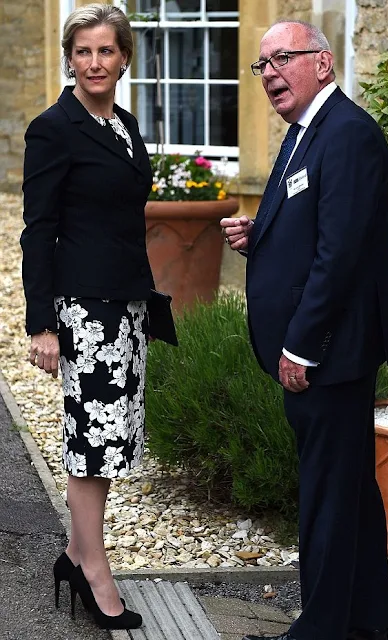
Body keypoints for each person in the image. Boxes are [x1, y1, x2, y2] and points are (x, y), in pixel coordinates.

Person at [221, 20, 388, 640]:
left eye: (282, 59)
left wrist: (302, 344)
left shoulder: (348, 134)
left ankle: (321, 630)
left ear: (322, 63)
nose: (269, 73)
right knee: (348, 494)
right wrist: (259, 236)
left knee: (327, 501)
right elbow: (311, 229)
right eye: (261, 64)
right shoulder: (305, 133)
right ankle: (362, 625)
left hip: (329, 355)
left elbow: (342, 254)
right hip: (317, 351)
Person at [20, 3, 156, 630]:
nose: (94, 62)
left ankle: (75, 554)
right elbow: (37, 230)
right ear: (69, 58)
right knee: (91, 445)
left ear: (124, 57)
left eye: (106, 51)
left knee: (112, 440)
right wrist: (42, 324)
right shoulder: (55, 127)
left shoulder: (126, 125)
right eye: (83, 52)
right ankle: (93, 571)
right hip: (82, 310)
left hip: (126, 305)